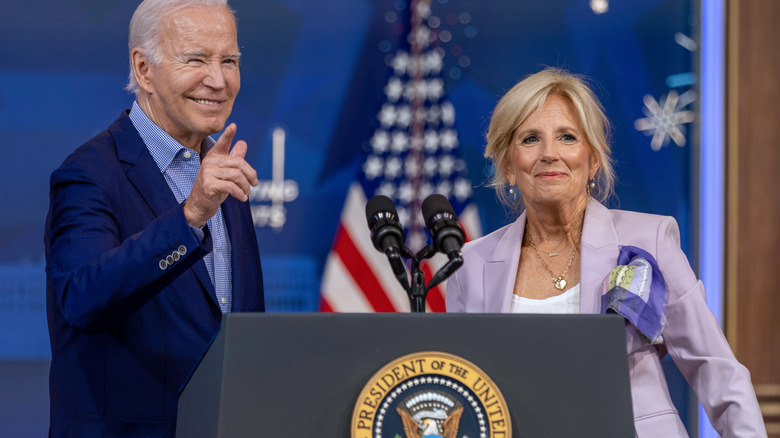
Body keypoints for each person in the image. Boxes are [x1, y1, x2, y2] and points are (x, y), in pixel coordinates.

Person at [445, 67, 766, 437]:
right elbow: (466, 390)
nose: (550, 154)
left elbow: (715, 367)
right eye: (530, 139)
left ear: (593, 158)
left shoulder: (650, 240)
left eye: (567, 137)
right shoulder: (471, 263)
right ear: (507, 164)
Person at [44, 0, 264, 436]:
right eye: (196, 59)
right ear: (144, 70)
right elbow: (83, 301)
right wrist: (190, 217)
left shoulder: (219, 166)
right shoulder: (88, 174)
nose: (218, 80)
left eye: (230, 61)